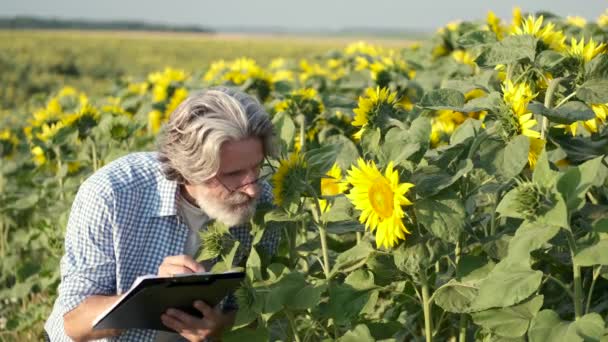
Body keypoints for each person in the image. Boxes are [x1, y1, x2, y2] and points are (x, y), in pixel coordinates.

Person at [44, 87, 281, 341]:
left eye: (256, 168)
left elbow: (255, 309)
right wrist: (148, 296)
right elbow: (72, 323)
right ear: (189, 170)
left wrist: (219, 325)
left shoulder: (264, 203)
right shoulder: (112, 194)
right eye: (232, 175)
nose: (253, 189)